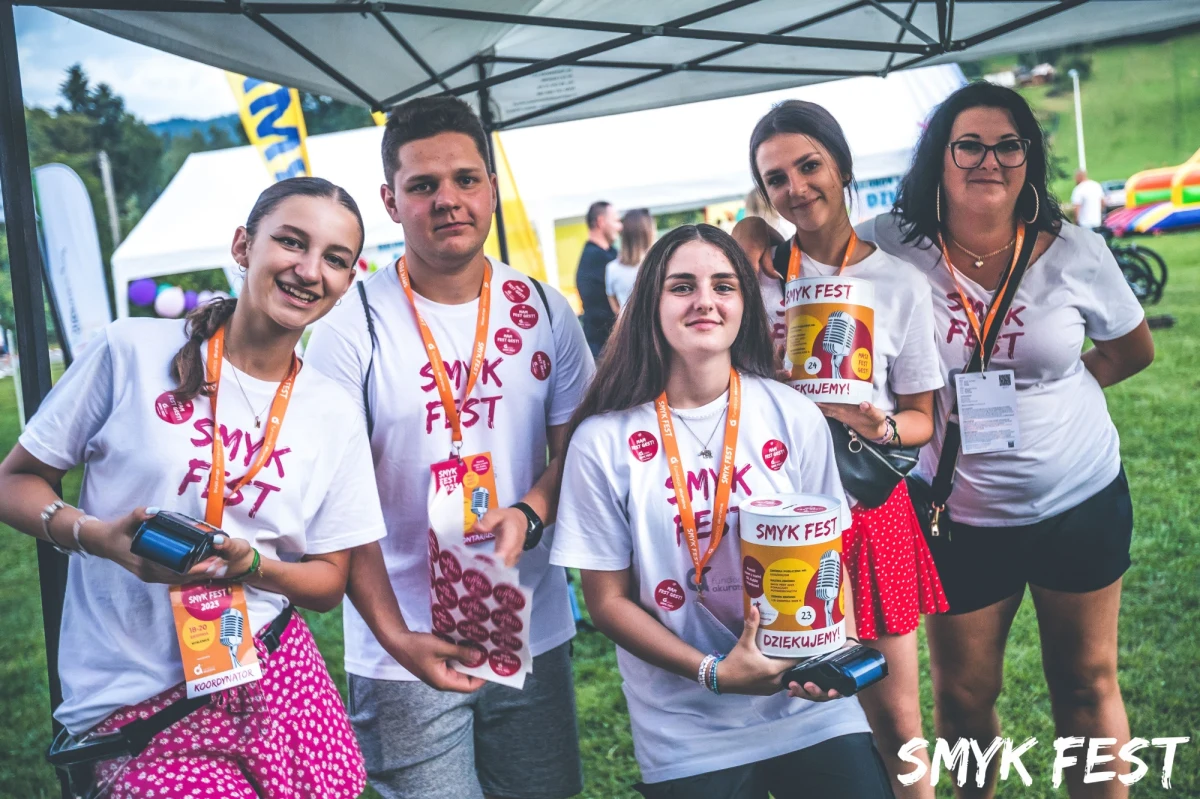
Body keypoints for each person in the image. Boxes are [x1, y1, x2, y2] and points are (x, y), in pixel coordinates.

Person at [0, 177, 389, 798]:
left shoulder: (332, 409)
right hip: (137, 694)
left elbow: (327, 581)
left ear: (346, 283)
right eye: (291, 242)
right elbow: (16, 481)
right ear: (243, 246)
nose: (309, 270)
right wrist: (96, 537)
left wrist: (252, 564)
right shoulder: (129, 351)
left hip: (275, 670)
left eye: (335, 259)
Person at [859, 82, 1154, 798]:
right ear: (940, 155)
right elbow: (802, 259)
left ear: (1028, 158)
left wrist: (1050, 395)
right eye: (969, 144)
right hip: (958, 516)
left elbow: (1130, 350)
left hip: (1079, 499)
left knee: (1086, 684)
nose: (988, 160)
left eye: (1007, 144)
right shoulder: (887, 243)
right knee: (963, 699)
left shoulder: (1076, 251)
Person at [304, 95, 593, 799]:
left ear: (491, 187)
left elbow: (577, 453)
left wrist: (527, 510)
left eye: (465, 179)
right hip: (403, 646)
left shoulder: (545, 309)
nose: (448, 200)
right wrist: (396, 636)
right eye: (423, 185)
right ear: (390, 200)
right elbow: (337, 506)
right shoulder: (350, 329)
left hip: (532, 624)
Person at [551, 223, 893, 799]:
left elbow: (829, 551)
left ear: (744, 304)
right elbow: (606, 601)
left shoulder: (793, 413)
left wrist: (838, 652)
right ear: (650, 305)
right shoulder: (603, 440)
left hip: (805, 706)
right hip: (685, 724)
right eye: (682, 286)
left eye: (724, 285)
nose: (705, 300)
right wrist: (713, 673)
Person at [733, 100, 948, 799]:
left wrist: (879, 424)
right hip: (780, 515)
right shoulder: (760, 275)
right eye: (776, 178)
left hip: (868, 512)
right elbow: (734, 241)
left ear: (842, 167)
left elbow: (922, 418)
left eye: (809, 165)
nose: (796, 187)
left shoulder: (901, 283)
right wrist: (755, 246)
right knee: (798, 721)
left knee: (896, 716)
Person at [576, 200, 622, 355]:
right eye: (616, 220)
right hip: (606, 349)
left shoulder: (606, 255)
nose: (619, 226)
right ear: (601, 222)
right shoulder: (597, 259)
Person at [605, 208, 655, 314]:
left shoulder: (612, 268)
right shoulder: (657, 264)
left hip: (627, 326)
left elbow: (615, 307)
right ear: (648, 232)